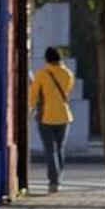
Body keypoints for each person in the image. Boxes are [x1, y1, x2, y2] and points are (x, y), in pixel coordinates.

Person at [29, 47, 75, 193]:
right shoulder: (68, 74)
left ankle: (53, 181)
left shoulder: (42, 74)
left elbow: (33, 95)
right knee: (60, 149)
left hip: (46, 117)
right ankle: (58, 178)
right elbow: (68, 91)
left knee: (50, 150)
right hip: (64, 116)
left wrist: (30, 109)